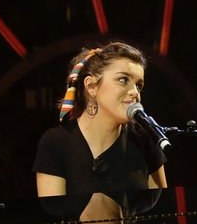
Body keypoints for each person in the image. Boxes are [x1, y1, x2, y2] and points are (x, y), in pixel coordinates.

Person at [34, 41, 168, 197]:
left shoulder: (146, 140)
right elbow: (53, 215)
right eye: (123, 80)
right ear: (91, 86)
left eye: (139, 85)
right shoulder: (55, 143)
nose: (134, 92)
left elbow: (163, 212)